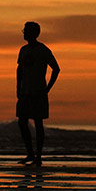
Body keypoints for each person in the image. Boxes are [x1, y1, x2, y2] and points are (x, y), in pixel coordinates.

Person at [15, 21, 60, 165]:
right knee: (22, 122)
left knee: (38, 123)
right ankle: (30, 154)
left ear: (34, 33)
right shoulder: (23, 50)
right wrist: (18, 87)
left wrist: (48, 89)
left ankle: (38, 156)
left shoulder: (43, 50)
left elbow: (56, 69)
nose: (24, 33)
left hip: (38, 92)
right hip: (25, 92)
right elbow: (19, 69)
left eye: (26, 31)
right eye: (24, 31)